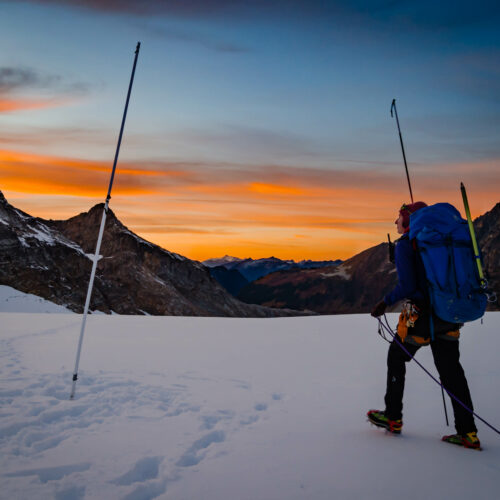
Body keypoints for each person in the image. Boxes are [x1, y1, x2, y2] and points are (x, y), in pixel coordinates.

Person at [368, 201, 480, 450]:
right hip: (449, 314)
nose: (395, 222)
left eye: (398, 218)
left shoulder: (407, 244)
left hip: (421, 317)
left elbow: (408, 286)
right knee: (452, 371)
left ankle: (393, 417)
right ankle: (468, 433)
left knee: (396, 357)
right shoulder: (440, 241)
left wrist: (384, 302)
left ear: (408, 220)